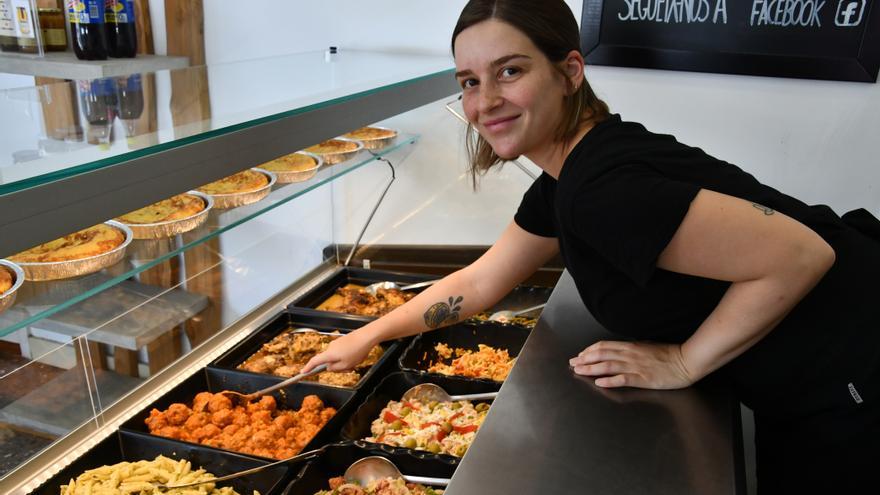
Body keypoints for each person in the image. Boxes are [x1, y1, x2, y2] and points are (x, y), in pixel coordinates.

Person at [304, 0, 879, 490]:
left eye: (510, 71)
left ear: (569, 71)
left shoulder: (599, 190)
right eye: (470, 82)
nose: (485, 102)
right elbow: (481, 282)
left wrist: (684, 361)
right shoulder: (571, 170)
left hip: (851, 375)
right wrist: (366, 335)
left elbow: (803, 254)